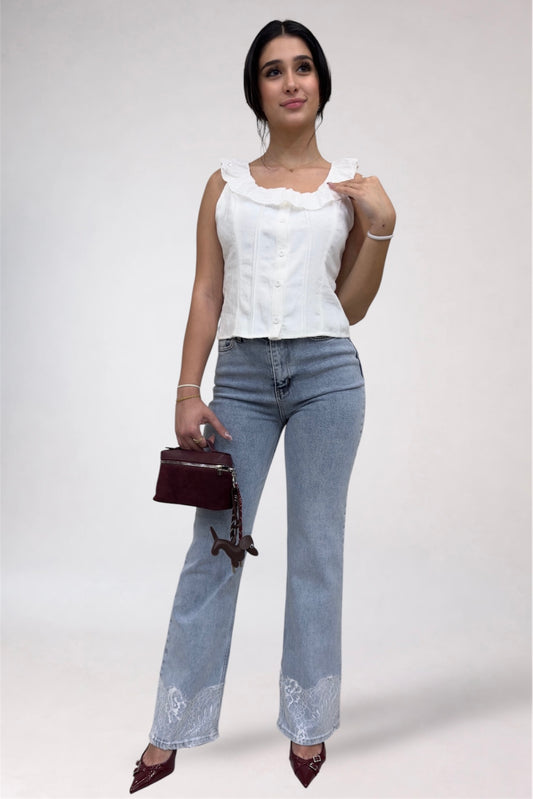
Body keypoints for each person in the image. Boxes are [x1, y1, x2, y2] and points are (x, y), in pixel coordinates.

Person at [130, 18, 395, 793]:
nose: (290, 81)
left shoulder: (352, 185)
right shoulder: (226, 182)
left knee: (317, 550)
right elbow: (207, 291)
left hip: (326, 377)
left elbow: (350, 306)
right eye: (274, 70)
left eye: (303, 67)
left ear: (320, 83)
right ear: (256, 87)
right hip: (241, 378)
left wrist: (381, 227)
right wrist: (189, 388)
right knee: (212, 548)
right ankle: (169, 727)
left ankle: (309, 723)